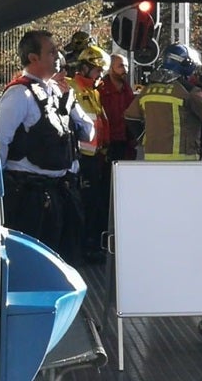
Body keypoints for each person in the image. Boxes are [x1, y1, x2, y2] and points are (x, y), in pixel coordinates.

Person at [0, 30, 95, 264]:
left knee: (65, 261)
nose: (57, 56)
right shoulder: (20, 94)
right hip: (31, 199)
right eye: (51, 51)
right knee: (31, 265)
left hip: (62, 194)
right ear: (33, 58)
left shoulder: (58, 92)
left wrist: (69, 105)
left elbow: (89, 132)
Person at [124, 43, 202, 161]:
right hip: (183, 159)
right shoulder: (188, 90)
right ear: (185, 63)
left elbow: (130, 117)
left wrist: (144, 138)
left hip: (151, 158)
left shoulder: (148, 90)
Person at [69, 45, 112, 264]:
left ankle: (91, 245)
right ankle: (82, 248)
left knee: (94, 204)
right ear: (85, 68)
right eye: (97, 71)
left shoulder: (92, 91)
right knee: (84, 205)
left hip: (95, 158)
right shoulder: (73, 88)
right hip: (81, 158)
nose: (100, 76)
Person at [99, 53, 136, 162]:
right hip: (108, 143)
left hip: (126, 143)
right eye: (121, 66)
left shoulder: (127, 89)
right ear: (110, 68)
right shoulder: (101, 88)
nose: (125, 70)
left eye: (126, 66)